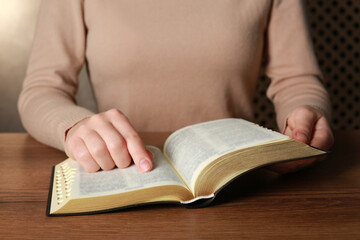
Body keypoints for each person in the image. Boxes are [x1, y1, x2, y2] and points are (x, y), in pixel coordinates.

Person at [18, 0, 334, 174]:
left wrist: (306, 115)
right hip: (122, 173)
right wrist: (75, 128)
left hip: (237, 178)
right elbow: (43, 89)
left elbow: (297, 80)